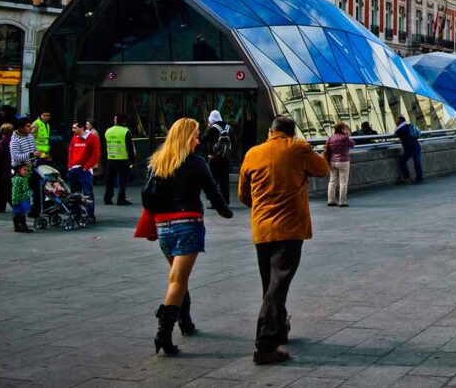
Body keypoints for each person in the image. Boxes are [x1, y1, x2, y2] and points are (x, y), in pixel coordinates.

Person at [238, 115, 329, 365]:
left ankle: (279, 329)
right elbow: (323, 169)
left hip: (262, 229)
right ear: (291, 133)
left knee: (270, 283)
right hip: (289, 229)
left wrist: (261, 208)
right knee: (278, 285)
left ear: (270, 131)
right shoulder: (298, 148)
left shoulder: (252, 153)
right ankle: (265, 345)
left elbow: (243, 194)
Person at [143, 118, 233, 356]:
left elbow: (147, 196)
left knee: (178, 276)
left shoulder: (158, 161)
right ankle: (164, 334)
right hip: (187, 223)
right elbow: (212, 190)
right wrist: (226, 211)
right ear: (185, 137)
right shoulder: (196, 162)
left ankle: (186, 320)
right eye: (194, 136)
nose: (197, 140)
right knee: (177, 280)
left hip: (163, 225)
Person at [67, 121, 100, 222]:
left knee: (87, 193)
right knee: (74, 194)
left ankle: (90, 216)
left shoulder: (91, 137)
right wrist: (70, 166)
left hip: (84, 170)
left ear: (81, 128)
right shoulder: (75, 137)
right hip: (74, 169)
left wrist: (86, 167)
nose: (73, 130)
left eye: (75, 128)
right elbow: (70, 151)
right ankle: (76, 214)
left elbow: (96, 154)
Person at [9, 119, 41, 218]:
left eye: (29, 126)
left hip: (31, 168)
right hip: (19, 170)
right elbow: (16, 157)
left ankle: (35, 211)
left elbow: (34, 150)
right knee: (21, 194)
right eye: (27, 126)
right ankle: (19, 219)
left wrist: (38, 155)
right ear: (20, 128)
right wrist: (31, 154)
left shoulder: (30, 137)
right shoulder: (15, 140)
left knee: (38, 189)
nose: (30, 128)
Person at [201, 110, 234, 204]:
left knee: (213, 181)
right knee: (225, 180)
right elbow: (235, 142)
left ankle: (214, 202)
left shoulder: (213, 128)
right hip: (226, 159)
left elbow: (203, 139)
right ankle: (226, 200)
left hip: (214, 158)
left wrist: (208, 128)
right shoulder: (229, 128)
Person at [104, 114, 137, 206]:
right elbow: (129, 148)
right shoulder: (126, 131)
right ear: (124, 121)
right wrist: (133, 161)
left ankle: (107, 198)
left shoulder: (108, 131)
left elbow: (105, 145)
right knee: (122, 181)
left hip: (111, 159)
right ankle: (121, 199)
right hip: (123, 159)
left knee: (110, 180)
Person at [324, 122, 354, 207]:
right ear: (342, 128)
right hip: (343, 161)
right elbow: (352, 144)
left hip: (332, 161)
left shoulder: (331, 138)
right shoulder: (345, 138)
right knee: (343, 182)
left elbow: (326, 147)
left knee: (332, 181)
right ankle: (342, 202)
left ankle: (331, 200)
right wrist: (347, 134)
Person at [0, 123, 14, 214]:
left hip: (2, 168)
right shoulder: (11, 142)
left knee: (3, 189)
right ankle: (0, 207)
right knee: (7, 188)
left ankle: (0, 207)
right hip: (9, 168)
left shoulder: (1, 143)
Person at [393, 116, 423, 184]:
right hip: (416, 145)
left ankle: (407, 177)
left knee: (402, 160)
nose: (396, 122)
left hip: (409, 147)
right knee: (417, 162)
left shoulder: (402, 127)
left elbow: (396, 132)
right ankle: (419, 178)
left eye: (397, 121)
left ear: (400, 121)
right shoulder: (409, 125)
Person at [11, 161, 34, 233]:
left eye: (27, 170)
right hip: (19, 199)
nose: (26, 172)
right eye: (24, 170)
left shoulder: (25, 177)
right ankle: (22, 227)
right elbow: (15, 191)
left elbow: (29, 173)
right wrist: (15, 200)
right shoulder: (17, 179)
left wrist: (30, 167)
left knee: (21, 213)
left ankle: (18, 227)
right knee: (19, 213)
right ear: (19, 170)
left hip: (24, 198)